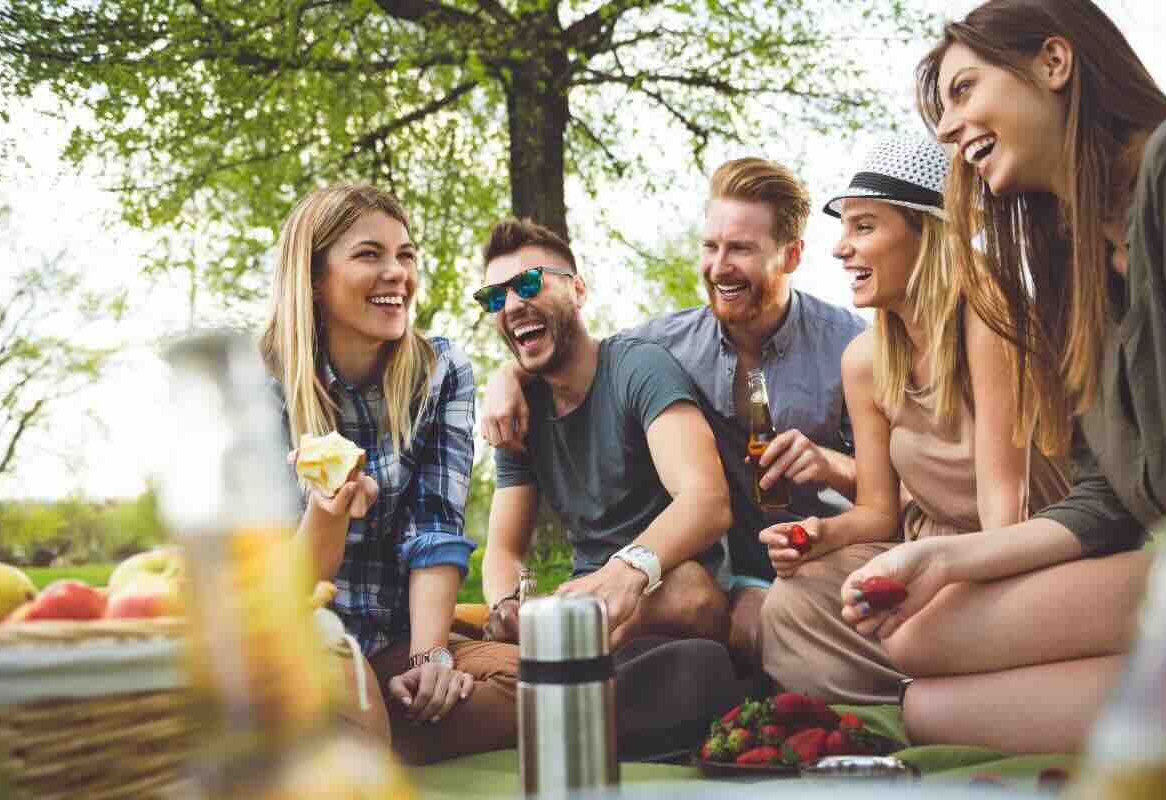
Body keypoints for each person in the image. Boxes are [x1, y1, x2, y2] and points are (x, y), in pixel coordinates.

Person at [839, 0, 1166, 754]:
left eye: (964, 91)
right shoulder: (1075, 263)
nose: (948, 130)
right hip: (1159, 572)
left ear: (1054, 65)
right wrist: (941, 558)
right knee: (924, 681)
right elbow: (1106, 499)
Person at [481, 159, 867, 662]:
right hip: (743, 570)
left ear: (791, 255)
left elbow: (899, 493)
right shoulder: (664, 345)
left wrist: (829, 464)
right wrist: (507, 376)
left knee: (765, 627)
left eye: (742, 249)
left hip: (830, 552)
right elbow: (580, 356)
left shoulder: (851, 348)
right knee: (750, 623)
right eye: (711, 247)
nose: (720, 265)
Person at [755, 134, 1068, 705]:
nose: (840, 249)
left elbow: (1007, 504)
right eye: (844, 228)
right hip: (922, 550)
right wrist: (820, 536)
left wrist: (946, 583)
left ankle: (956, 688)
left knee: (923, 625)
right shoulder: (864, 360)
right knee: (790, 603)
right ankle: (946, 689)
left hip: (1015, 555)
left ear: (928, 235)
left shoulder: (992, 318)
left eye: (864, 227)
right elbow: (877, 512)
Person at [259, 185, 518, 765]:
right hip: (305, 639)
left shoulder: (441, 370)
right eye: (369, 255)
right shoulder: (261, 386)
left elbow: (435, 528)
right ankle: (354, 726)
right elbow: (288, 595)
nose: (396, 273)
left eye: (405, 255)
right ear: (315, 279)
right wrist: (329, 510)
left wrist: (430, 661)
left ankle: (362, 729)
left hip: (398, 638)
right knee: (358, 715)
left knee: (551, 687)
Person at [476, 217, 744, 758]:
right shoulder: (520, 410)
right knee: (458, 644)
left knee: (691, 596)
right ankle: (572, 682)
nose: (511, 305)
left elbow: (707, 503)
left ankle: (558, 687)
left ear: (576, 289)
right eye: (495, 296)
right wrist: (508, 605)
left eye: (528, 284)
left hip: (659, 593)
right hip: (586, 611)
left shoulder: (638, 368)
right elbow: (503, 549)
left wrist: (628, 570)